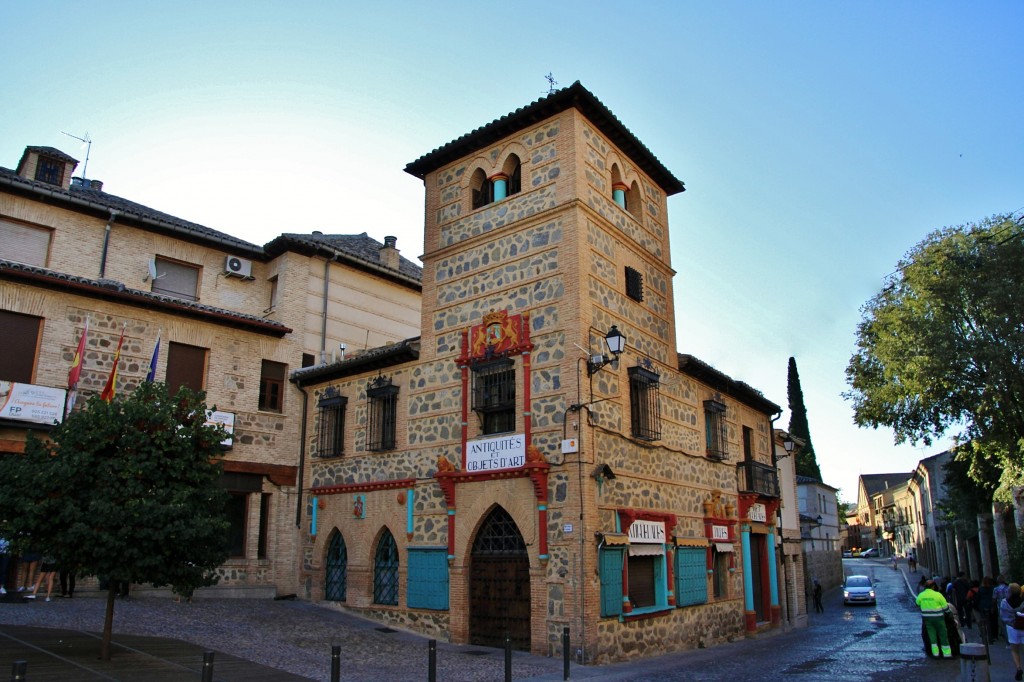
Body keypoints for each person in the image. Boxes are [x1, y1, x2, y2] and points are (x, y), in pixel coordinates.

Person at [917, 579, 953, 659]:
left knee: (932, 636)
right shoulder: (938, 595)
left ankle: (935, 654)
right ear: (933, 586)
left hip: (927, 618)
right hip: (938, 618)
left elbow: (917, 603)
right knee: (943, 635)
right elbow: (945, 607)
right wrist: (949, 614)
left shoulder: (921, 595)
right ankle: (947, 654)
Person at [998, 581, 1024, 680]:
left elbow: (1002, 616)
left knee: (1015, 650)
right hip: (1023, 626)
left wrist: (1011, 621)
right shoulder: (1023, 601)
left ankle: (1018, 668)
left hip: (1012, 628)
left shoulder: (1004, 602)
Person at [995, 575, 1011, 642]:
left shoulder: (996, 589)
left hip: (1001, 608)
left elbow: (994, 599)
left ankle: (1008, 641)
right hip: (1010, 607)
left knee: (1003, 624)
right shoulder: (1009, 588)